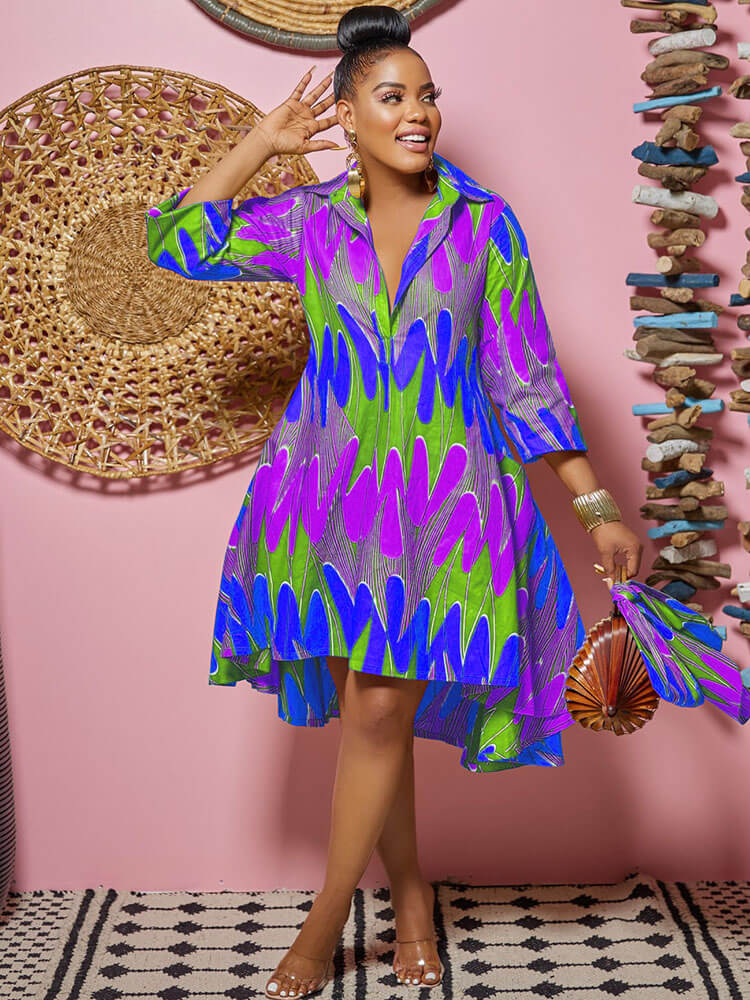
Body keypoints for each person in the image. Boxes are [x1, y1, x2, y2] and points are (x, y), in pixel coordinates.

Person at [145, 5, 643, 996]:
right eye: (393, 95)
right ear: (348, 112)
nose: (418, 112)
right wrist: (260, 144)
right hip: (324, 502)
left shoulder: (485, 223)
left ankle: (323, 924)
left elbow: (525, 378)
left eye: (428, 95)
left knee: (378, 706)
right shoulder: (308, 221)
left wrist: (597, 508)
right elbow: (177, 242)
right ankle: (411, 898)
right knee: (375, 713)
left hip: (449, 508)